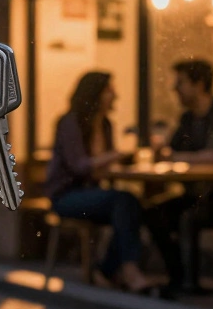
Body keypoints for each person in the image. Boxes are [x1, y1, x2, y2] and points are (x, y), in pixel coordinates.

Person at [147, 59, 213, 298]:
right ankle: (178, 277)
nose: (174, 88)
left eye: (180, 82)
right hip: (198, 195)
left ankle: (189, 283)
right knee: (153, 212)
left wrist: (172, 156)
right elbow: (168, 153)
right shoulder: (187, 118)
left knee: (188, 218)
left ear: (199, 84)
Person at [44, 72, 156, 293]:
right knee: (125, 202)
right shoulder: (70, 122)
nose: (114, 95)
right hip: (66, 196)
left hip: (94, 194)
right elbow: (78, 165)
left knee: (132, 205)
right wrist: (116, 155)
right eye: (108, 90)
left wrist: (120, 161)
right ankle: (125, 270)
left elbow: (103, 169)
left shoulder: (105, 124)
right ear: (94, 94)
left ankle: (111, 268)